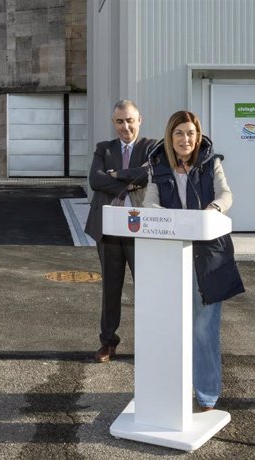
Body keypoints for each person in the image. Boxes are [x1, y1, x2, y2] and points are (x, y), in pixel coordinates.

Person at [143, 110, 245, 411]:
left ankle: (207, 395)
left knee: (204, 328)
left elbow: (226, 194)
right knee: (170, 326)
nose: (185, 139)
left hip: (208, 256)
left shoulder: (211, 162)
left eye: (190, 133)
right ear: (169, 136)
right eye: (179, 133)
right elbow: (150, 201)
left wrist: (214, 209)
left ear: (198, 136)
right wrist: (164, 218)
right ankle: (172, 389)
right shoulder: (157, 164)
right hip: (171, 256)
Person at [85, 100, 156, 363]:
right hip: (109, 228)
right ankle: (108, 342)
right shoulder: (104, 148)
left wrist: (114, 176)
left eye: (129, 120)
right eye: (119, 121)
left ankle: (149, 341)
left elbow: (148, 175)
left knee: (146, 288)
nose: (125, 126)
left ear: (140, 119)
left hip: (141, 229)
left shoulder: (150, 147)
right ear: (114, 123)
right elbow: (95, 180)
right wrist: (128, 181)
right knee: (111, 288)